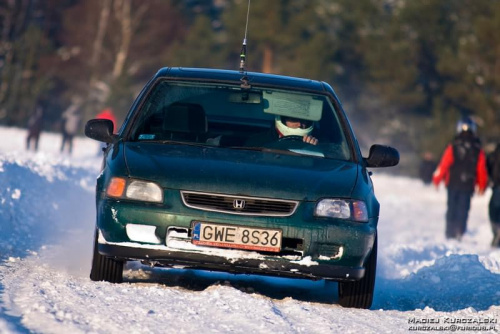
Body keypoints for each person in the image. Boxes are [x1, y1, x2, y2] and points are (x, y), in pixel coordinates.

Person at [432, 116, 488, 240]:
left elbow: (444, 164)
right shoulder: (475, 148)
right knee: (460, 209)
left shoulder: (457, 146)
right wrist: (482, 184)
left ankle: (453, 233)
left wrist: (437, 179)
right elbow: (481, 170)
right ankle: (456, 232)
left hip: (458, 184)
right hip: (462, 184)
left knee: (455, 209)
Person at [245, 115, 318, 146]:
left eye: (303, 120)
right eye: (293, 119)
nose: (299, 124)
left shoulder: (318, 144)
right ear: (282, 119)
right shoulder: (257, 141)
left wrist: (313, 149)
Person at [487, 143, 500, 247]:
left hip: (497, 185)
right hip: (496, 185)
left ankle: (497, 232)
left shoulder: (495, 152)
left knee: (494, 209)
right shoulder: (496, 151)